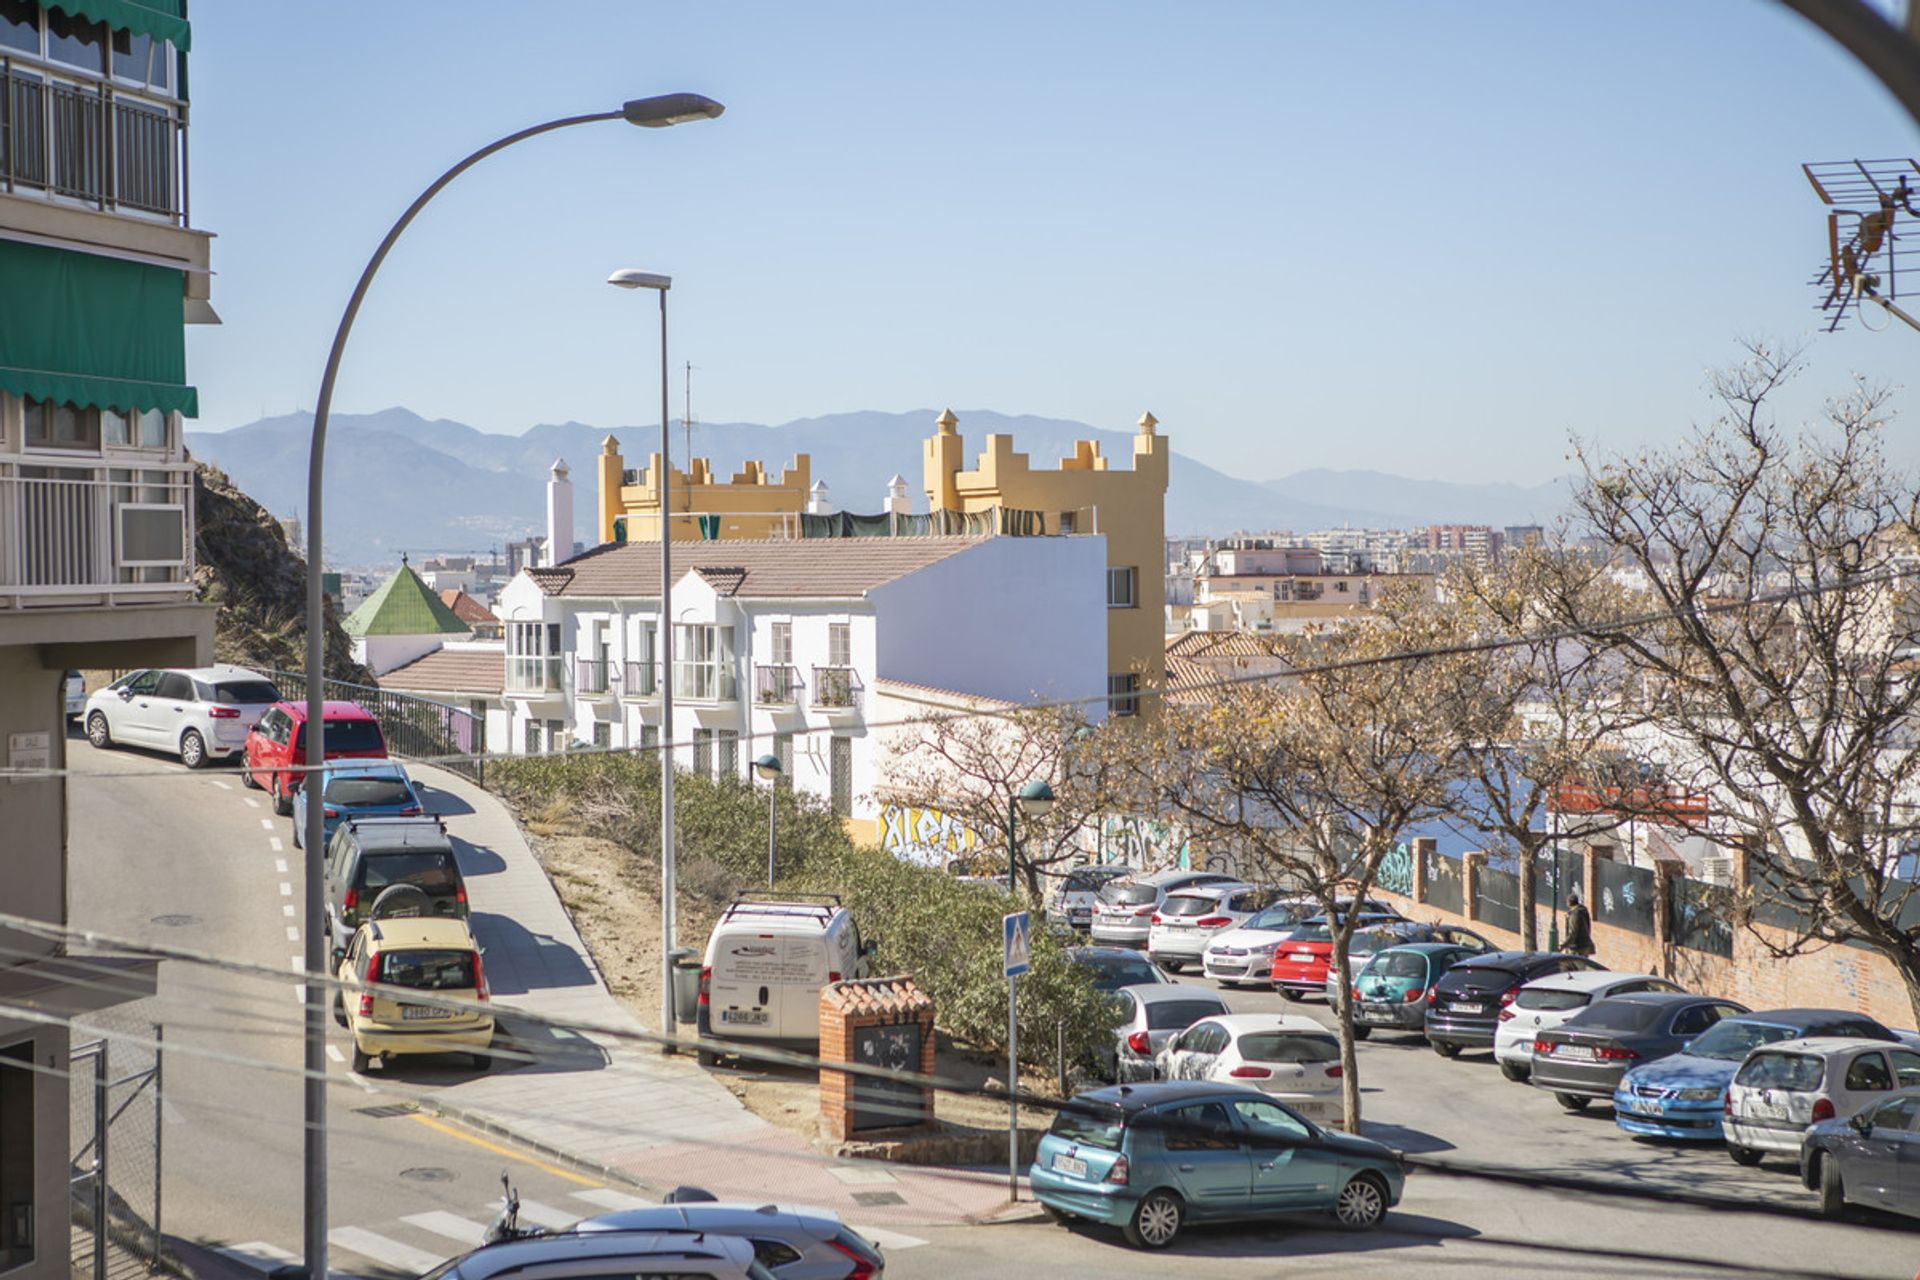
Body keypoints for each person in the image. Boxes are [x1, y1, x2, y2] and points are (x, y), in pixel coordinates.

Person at [1562, 891, 1595, 957]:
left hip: (1577, 947)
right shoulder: (1583, 911)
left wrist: (1563, 945)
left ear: (1570, 902)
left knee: (1574, 966)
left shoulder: (1574, 914)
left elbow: (1573, 933)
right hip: (1585, 945)